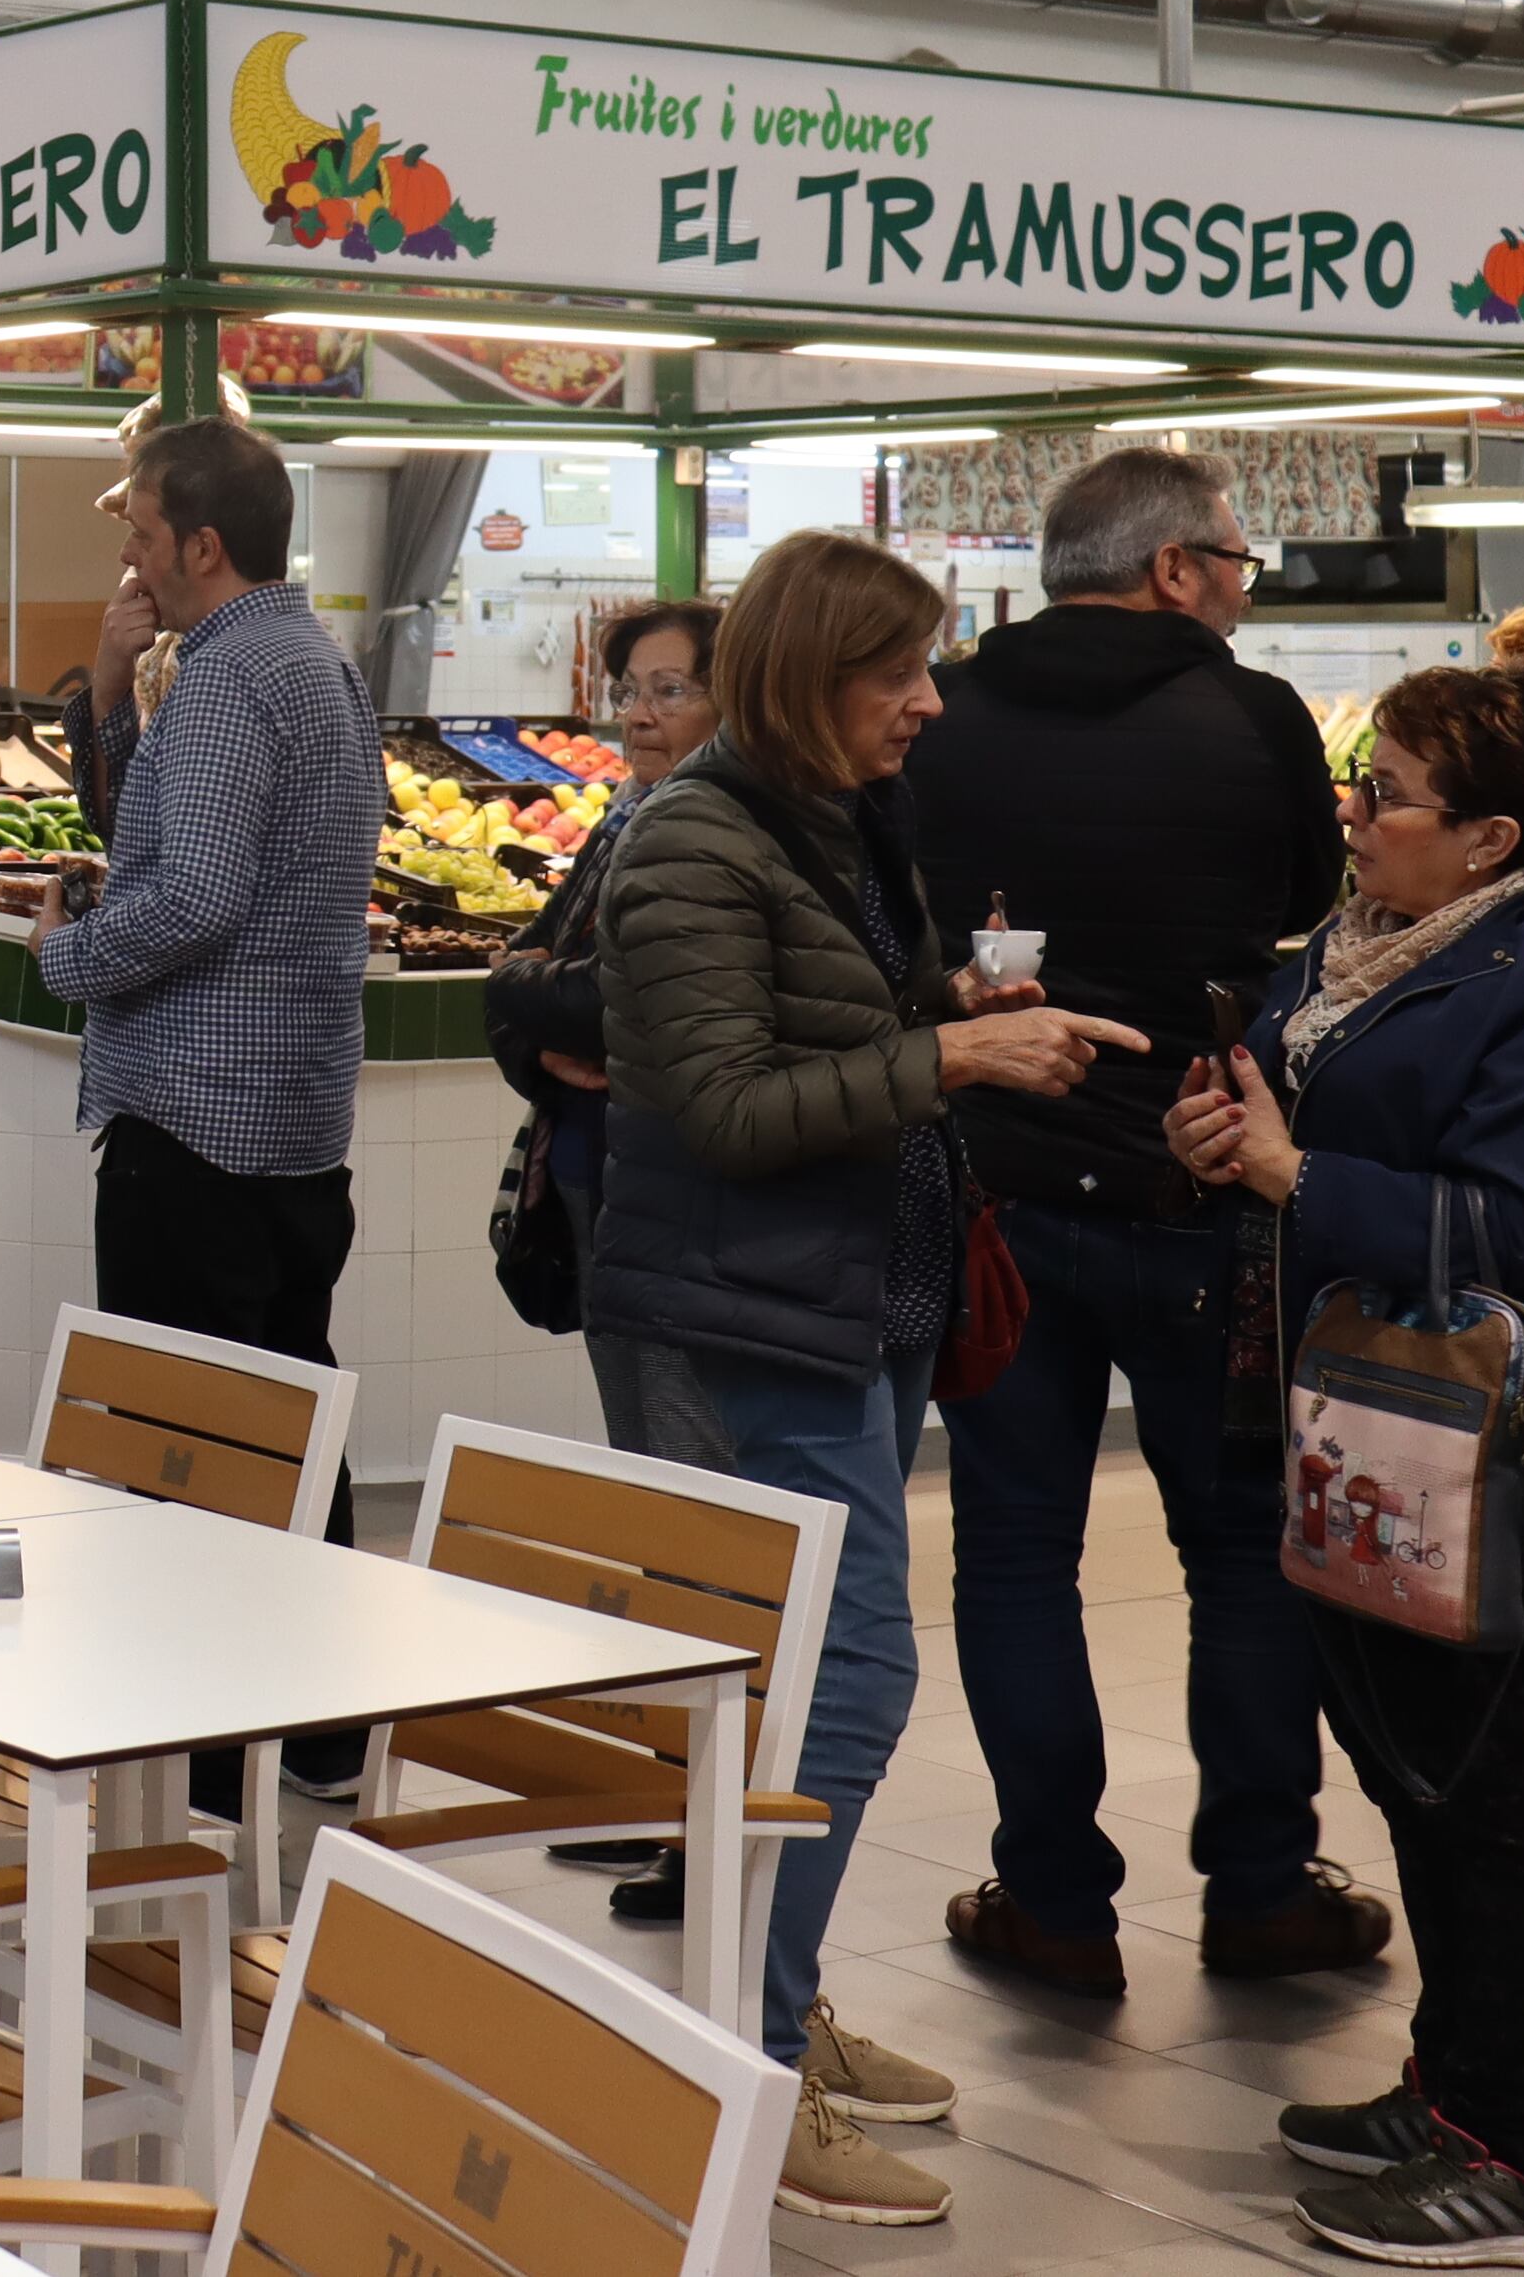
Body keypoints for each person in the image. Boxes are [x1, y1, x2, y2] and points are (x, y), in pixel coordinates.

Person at [590, 527, 1150, 2226]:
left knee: (805, 1695)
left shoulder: (824, 820)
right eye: (898, 670)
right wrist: (953, 1049)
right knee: (829, 1695)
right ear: (807, 672)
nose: (929, 701)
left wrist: (954, 999)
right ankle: (743, 2069)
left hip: (840, 1302)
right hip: (735, 1316)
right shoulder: (692, 833)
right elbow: (729, 1105)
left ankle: (775, 2009)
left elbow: (826, 1030)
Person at [905, 448, 1371, 1997]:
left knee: (1018, 1555)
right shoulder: (1251, 717)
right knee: (1240, 1551)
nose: (1244, 588)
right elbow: (1315, 887)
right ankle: (1256, 1890)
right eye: (1238, 561)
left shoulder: (946, 707)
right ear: (1172, 568)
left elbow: (910, 909)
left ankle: (1053, 1901)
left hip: (1003, 1197)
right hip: (1206, 1193)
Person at [1168, 666, 1524, 2263]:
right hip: (1347, 1411)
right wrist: (1226, 1137)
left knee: (1494, 1790)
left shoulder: (1517, 977)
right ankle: (1453, 2082)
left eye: (1390, 795)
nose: (1355, 812)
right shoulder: (1360, 940)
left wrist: (1299, 1171)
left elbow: (1513, 1229)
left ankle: (1510, 2145)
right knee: (1412, 1772)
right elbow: (1290, 1113)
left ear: (1493, 838)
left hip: (1482, 1440)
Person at [2, 413, 380, 1799]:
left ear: (203, 543)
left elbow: (195, 895)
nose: (127, 547)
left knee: (197, 1440)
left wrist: (65, 959)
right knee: (293, 1419)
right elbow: (178, 845)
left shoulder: (230, 681)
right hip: (293, 1119)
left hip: (196, 1119)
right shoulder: (311, 664)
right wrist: (108, 694)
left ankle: (212, 1762)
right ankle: (328, 1734)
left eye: (143, 529)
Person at [480, 598, 717, 1913]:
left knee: (689, 1505)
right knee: (653, 1493)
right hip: (605, 1179)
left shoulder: (714, 834)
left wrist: (534, 1002)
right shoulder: (625, 822)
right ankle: (656, 1792)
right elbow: (533, 983)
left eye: (670, 689)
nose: (637, 711)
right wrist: (531, 1008)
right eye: (629, 686)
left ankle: (700, 1819)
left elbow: (595, 997)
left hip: (667, 1192)